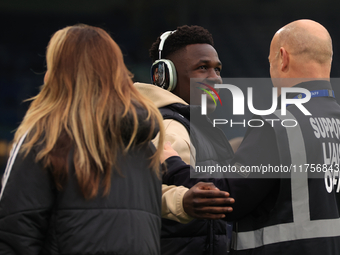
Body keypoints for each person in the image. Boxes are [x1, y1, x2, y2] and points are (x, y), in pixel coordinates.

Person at [165, 19, 340, 254]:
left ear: (283, 57)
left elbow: (226, 198)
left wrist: (172, 164)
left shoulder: (278, 125)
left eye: (270, 63)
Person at [0, 24, 168, 255]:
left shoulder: (45, 138)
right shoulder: (145, 144)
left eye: (51, 65)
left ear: (59, 73)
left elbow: (13, 236)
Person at [135, 25, 235, 255]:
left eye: (217, 70)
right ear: (164, 77)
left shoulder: (194, 124)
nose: (215, 79)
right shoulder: (170, 127)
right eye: (202, 68)